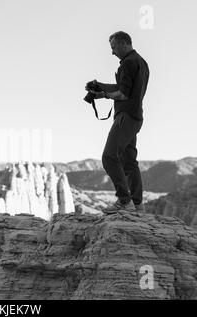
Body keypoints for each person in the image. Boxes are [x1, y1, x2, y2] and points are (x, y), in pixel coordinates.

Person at [86, 31, 149, 214]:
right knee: (129, 162)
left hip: (126, 117)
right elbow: (123, 88)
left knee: (109, 157)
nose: (112, 52)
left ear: (123, 43)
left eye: (113, 47)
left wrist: (103, 95)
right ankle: (137, 205)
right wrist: (101, 86)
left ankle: (124, 201)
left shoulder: (128, 63)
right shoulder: (141, 62)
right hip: (136, 116)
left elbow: (123, 94)